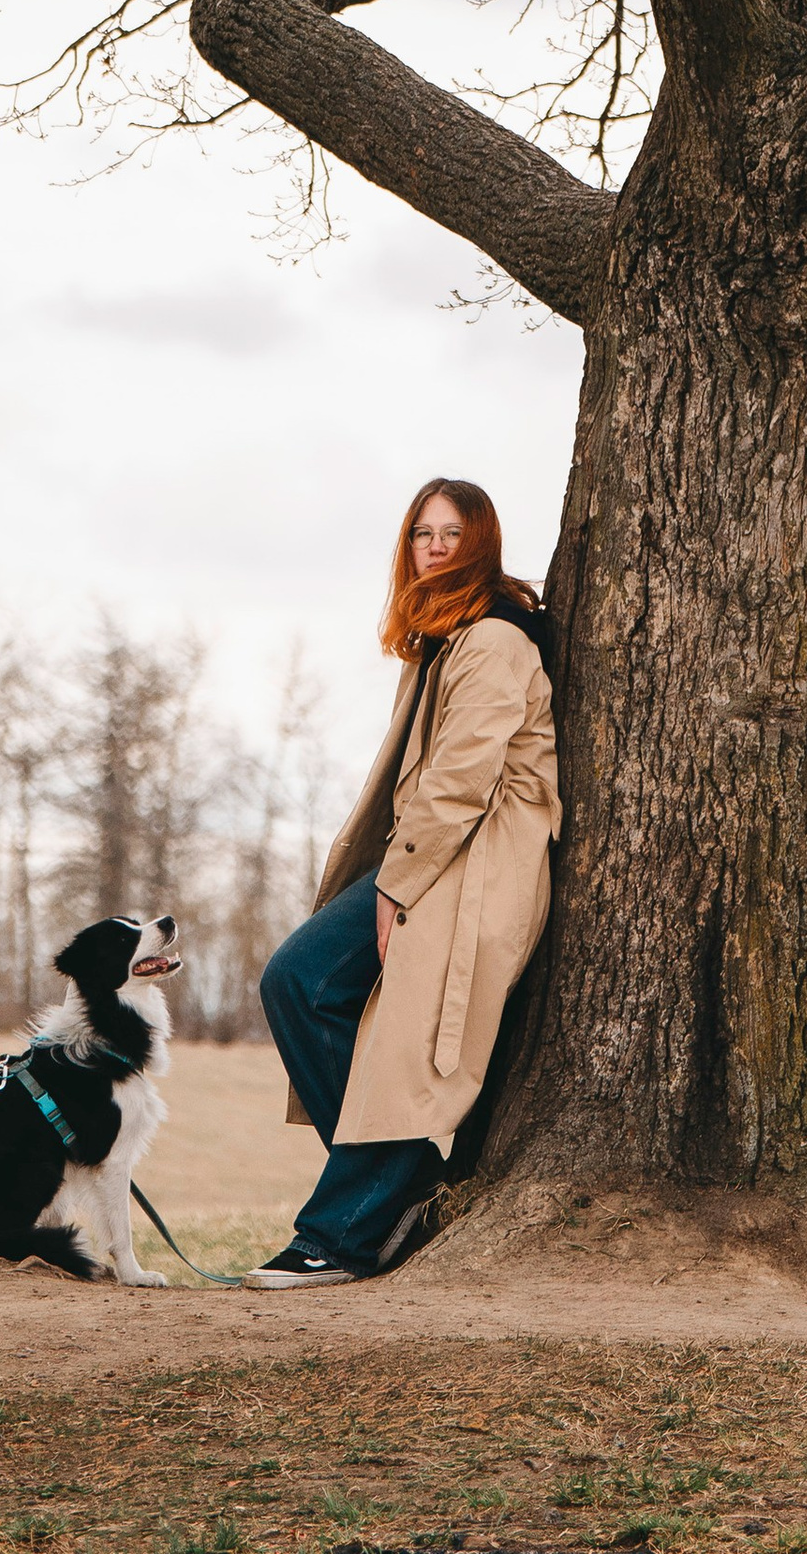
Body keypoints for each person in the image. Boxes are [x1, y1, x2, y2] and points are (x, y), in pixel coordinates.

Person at [248, 476, 561, 1287]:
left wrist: (397, 887)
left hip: (470, 868)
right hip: (431, 859)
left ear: (481, 542)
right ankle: (406, 1181)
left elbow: (462, 778)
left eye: (452, 533)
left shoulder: (494, 639)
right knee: (299, 981)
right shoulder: (446, 637)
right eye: (422, 532)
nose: (435, 546)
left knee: (393, 1040)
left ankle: (339, 1239)